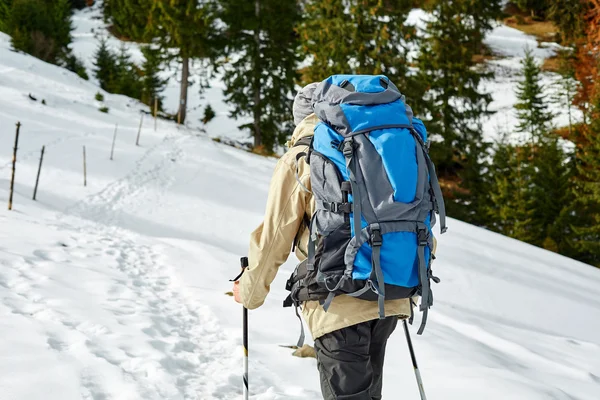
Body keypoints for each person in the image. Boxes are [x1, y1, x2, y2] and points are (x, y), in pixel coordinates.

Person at [232, 82, 415, 400]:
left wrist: (249, 292)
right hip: (391, 290)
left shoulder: (302, 155)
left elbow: (274, 237)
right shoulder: (386, 144)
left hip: (336, 298)